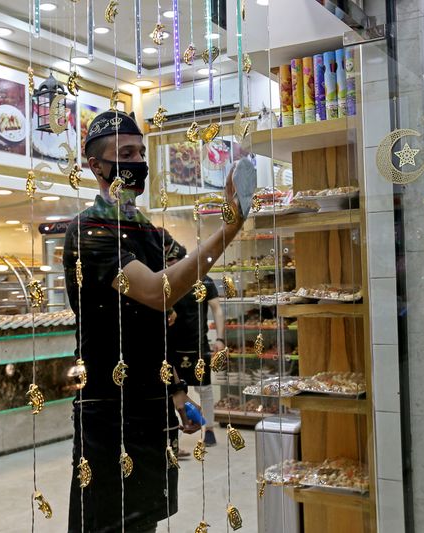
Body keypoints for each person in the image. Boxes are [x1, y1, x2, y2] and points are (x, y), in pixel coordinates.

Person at [63, 110, 255, 533]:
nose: (137, 161)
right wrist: (229, 227)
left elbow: (186, 295)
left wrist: (179, 388)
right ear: (96, 166)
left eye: (140, 152)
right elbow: (157, 291)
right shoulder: (90, 231)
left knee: (146, 517)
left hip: (153, 406)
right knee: (108, 520)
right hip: (109, 410)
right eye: (125, 153)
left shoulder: (149, 233)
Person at [163, 234, 223, 448]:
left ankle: (208, 429)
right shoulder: (165, 282)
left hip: (197, 344)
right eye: (168, 262)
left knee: (204, 388)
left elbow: (216, 308)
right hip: (171, 346)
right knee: (171, 391)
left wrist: (221, 338)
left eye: (173, 261)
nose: (171, 265)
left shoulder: (203, 281)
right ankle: (174, 437)